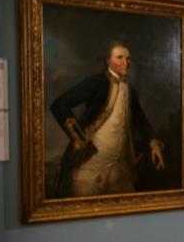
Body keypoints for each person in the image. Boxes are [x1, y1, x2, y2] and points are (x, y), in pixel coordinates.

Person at [50, 41, 165, 197]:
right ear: (108, 61)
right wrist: (80, 141)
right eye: (120, 57)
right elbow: (59, 105)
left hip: (120, 170)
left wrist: (154, 143)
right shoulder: (96, 82)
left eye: (128, 58)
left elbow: (141, 121)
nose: (126, 62)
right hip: (90, 168)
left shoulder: (130, 90)